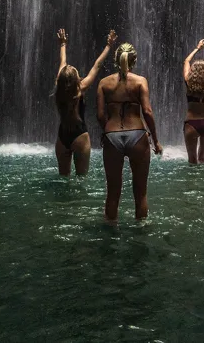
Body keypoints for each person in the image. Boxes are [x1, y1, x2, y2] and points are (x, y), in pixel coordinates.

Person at [97, 42, 162, 221]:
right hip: (137, 135)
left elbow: (100, 115)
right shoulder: (140, 81)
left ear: (116, 59)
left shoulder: (104, 83)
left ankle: (110, 233)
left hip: (112, 135)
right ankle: (141, 233)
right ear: (134, 60)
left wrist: (108, 132)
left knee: (112, 193)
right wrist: (155, 140)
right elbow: (147, 112)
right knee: (140, 193)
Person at [53, 28, 115, 176]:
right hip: (79, 135)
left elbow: (63, 62)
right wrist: (108, 45)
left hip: (62, 137)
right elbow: (97, 65)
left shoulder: (59, 87)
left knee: (63, 178)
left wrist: (62, 44)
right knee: (81, 179)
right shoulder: (80, 88)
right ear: (75, 80)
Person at [181, 35, 204, 164]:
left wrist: (197, 48)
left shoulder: (189, 83)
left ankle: (193, 184)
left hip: (192, 124)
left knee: (192, 161)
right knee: (203, 159)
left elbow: (186, 61)